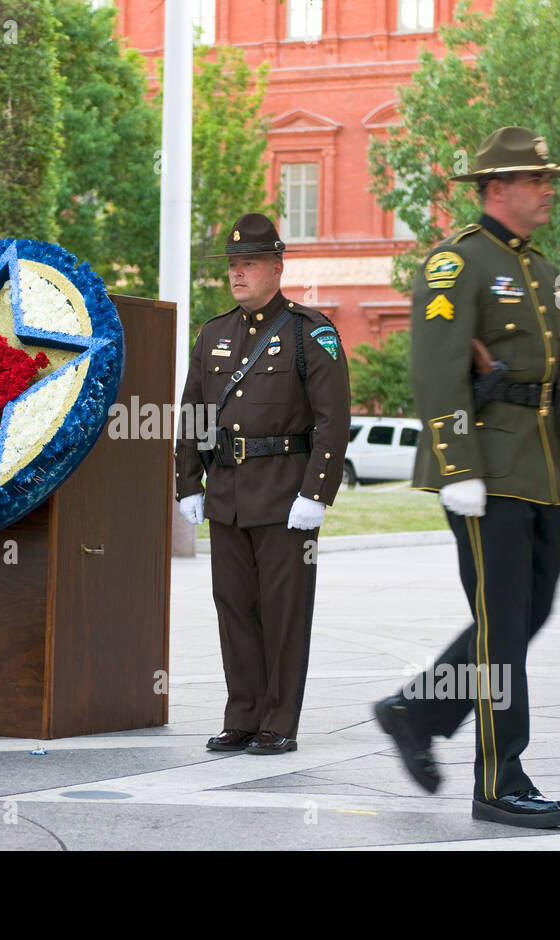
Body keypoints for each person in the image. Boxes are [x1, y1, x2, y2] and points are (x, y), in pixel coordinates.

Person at [371, 126, 560, 829]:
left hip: (537, 469)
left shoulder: (544, 272)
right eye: (537, 180)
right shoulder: (455, 264)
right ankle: (501, 778)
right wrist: (457, 464)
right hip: (485, 473)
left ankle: (416, 710)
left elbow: (553, 384)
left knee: (528, 612)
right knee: (502, 625)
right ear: (498, 188)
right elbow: (436, 371)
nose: (548, 189)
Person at [174, 213, 352, 755]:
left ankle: (279, 721)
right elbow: (193, 416)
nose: (237, 273)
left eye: (249, 263)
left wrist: (316, 494)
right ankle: (242, 715)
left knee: (283, 613)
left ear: (277, 267)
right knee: (235, 609)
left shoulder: (310, 332)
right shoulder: (213, 333)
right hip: (227, 496)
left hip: (284, 499)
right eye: (232, 264)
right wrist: (187, 484)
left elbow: (332, 421)